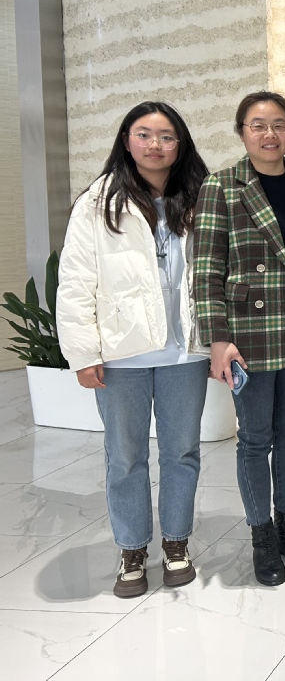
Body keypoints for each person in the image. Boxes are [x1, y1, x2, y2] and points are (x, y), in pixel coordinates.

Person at [57, 101, 210, 599]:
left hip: (184, 352)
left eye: (166, 136)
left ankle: (176, 543)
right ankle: (131, 549)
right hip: (121, 355)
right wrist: (83, 352)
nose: (155, 145)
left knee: (182, 452)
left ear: (180, 144)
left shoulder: (201, 196)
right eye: (144, 134)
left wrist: (217, 340)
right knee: (124, 456)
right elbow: (75, 280)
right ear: (126, 140)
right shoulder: (97, 202)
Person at [194, 91, 285, 586]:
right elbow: (207, 270)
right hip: (248, 334)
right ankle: (261, 536)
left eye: (279, 124)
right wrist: (217, 339)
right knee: (255, 438)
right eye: (258, 125)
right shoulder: (220, 186)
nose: (269, 133)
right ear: (242, 131)